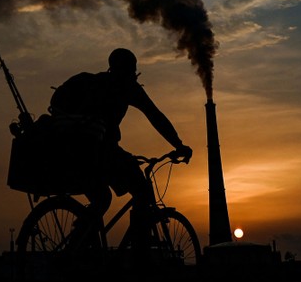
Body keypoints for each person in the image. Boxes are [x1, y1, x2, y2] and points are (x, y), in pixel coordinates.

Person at [49, 48, 193, 251]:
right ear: (131, 70)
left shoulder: (93, 81)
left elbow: (57, 103)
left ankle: (77, 246)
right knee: (141, 190)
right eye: (133, 72)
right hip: (100, 152)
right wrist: (178, 145)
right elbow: (156, 116)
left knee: (102, 199)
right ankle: (138, 251)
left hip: (72, 151)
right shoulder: (127, 88)